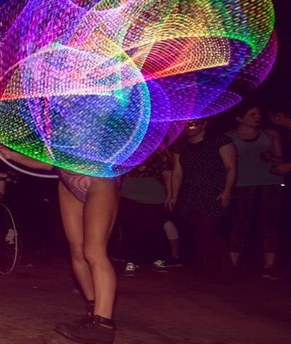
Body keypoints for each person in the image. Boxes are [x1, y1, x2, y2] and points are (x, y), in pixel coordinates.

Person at [0, 144, 121, 344]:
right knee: (77, 252)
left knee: (94, 251)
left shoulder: (97, 124)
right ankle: (93, 311)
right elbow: (47, 163)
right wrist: (10, 155)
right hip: (68, 185)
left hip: (99, 181)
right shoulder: (55, 131)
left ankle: (103, 324)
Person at [168, 119, 236, 276]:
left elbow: (231, 167)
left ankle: (224, 266)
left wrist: (227, 191)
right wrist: (174, 195)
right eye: (186, 124)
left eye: (194, 123)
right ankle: (205, 266)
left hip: (213, 189)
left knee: (209, 228)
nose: (190, 127)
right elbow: (177, 173)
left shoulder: (220, 141)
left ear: (204, 124)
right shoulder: (181, 146)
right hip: (191, 191)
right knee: (197, 229)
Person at [226, 102, 283, 279]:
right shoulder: (228, 137)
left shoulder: (270, 135)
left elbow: (279, 161)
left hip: (269, 183)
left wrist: (271, 157)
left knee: (270, 223)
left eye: (258, 114)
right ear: (239, 118)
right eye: (252, 114)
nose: (258, 117)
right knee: (239, 223)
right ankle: (232, 265)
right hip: (242, 184)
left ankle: (269, 266)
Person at [117, 148, 179, 273]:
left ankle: (159, 260)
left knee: (155, 230)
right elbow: (117, 173)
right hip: (130, 193)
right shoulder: (128, 147)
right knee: (130, 229)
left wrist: (170, 194)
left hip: (154, 195)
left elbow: (167, 173)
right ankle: (131, 261)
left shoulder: (158, 150)